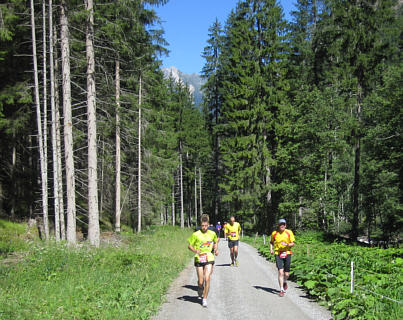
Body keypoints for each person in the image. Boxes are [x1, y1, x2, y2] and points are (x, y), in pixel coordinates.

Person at [188, 214, 218, 307]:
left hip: (209, 257)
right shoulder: (196, 234)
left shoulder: (212, 233)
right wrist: (195, 250)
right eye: (202, 226)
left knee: (207, 278)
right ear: (200, 225)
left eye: (206, 226)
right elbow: (189, 246)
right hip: (199, 258)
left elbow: (215, 241)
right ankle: (200, 289)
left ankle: (204, 299)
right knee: (200, 282)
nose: (204, 227)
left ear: (208, 225)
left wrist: (216, 249)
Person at [270, 218, 295, 297]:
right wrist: (271, 249)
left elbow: (293, 243)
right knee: (280, 272)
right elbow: (271, 242)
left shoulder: (289, 232)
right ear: (278, 225)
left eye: (283, 224)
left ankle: (284, 281)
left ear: (285, 225)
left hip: (287, 253)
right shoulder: (274, 233)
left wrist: (287, 245)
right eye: (281, 224)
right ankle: (281, 290)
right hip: (278, 254)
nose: (282, 226)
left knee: (286, 274)